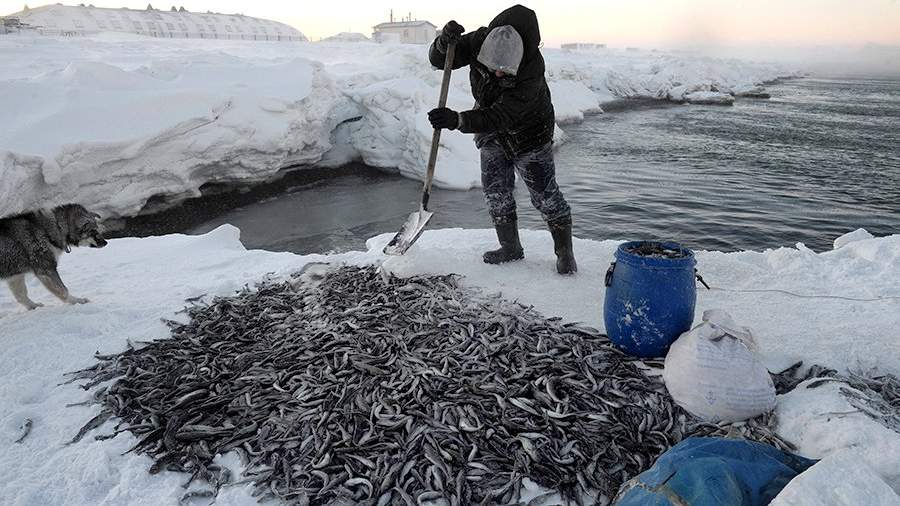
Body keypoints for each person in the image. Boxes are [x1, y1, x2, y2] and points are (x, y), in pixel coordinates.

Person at [427, 4, 576, 275]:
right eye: (492, 66)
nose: (497, 74)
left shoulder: (531, 70)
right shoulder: (478, 41)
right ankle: (510, 247)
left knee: (545, 195)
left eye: (504, 70)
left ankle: (565, 253)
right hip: (491, 132)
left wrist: (458, 120)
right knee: (496, 191)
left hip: (530, 133)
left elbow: (502, 115)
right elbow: (440, 60)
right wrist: (443, 43)